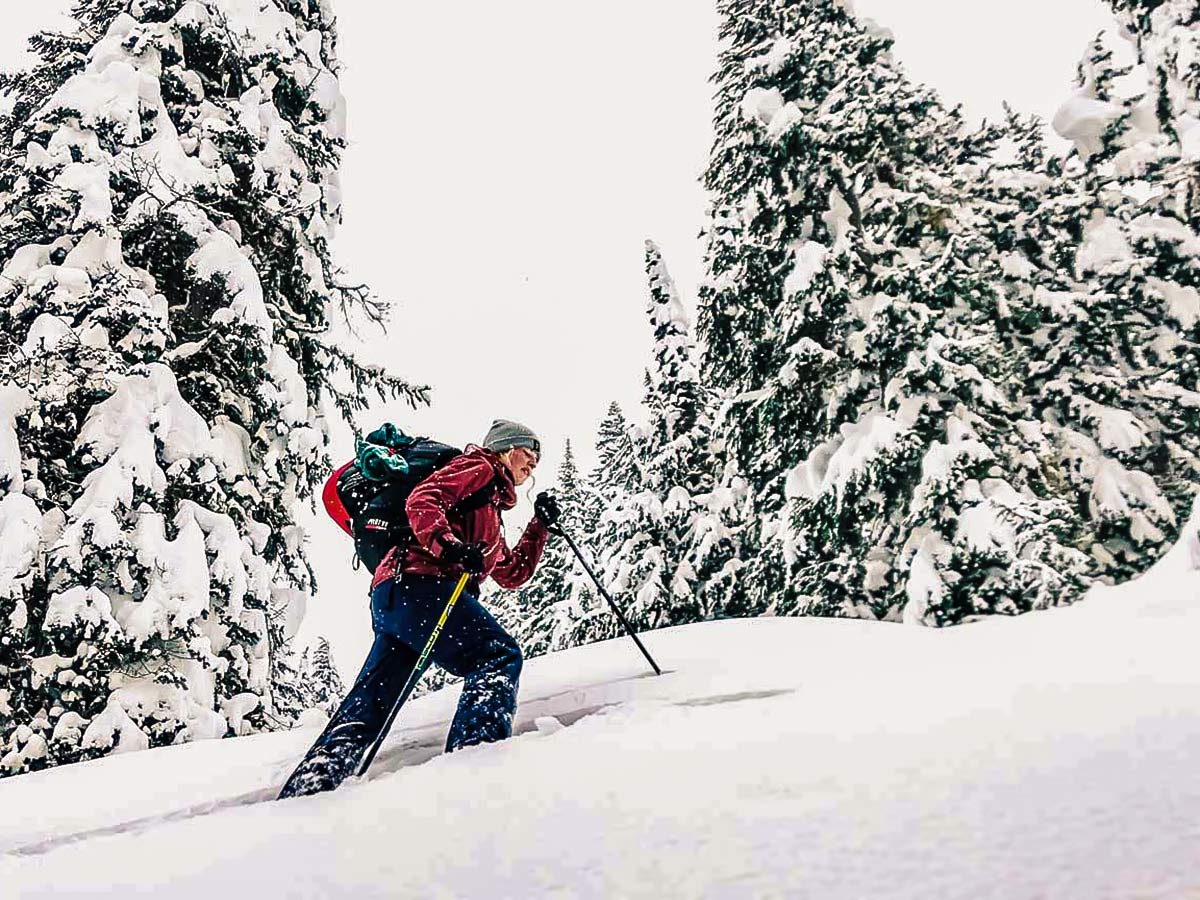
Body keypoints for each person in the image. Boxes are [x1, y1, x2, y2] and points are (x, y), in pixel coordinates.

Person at [279, 419, 561, 799]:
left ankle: (309, 790)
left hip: (398, 596)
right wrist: (450, 546)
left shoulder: (489, 514)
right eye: (529, 452)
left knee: (373, 701)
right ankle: (475, 768)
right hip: (421, 585)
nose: (534, 462)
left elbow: (511, 573)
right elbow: (422, 500)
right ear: (505, 449)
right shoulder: (478, 468)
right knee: (496, 656)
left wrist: (539, 527)